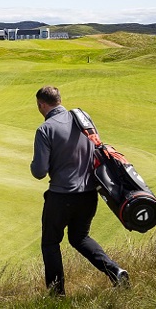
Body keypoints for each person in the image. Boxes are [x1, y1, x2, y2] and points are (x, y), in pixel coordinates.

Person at [30, 85, 129, 295]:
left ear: (41, 105)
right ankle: (115, 271)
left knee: (50, 243)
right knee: (79, 238)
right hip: (89, 195)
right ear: (59, 100)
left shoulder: (45, 129)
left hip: (61, 196)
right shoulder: (83, 118)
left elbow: (39, 171)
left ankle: (57, 296)